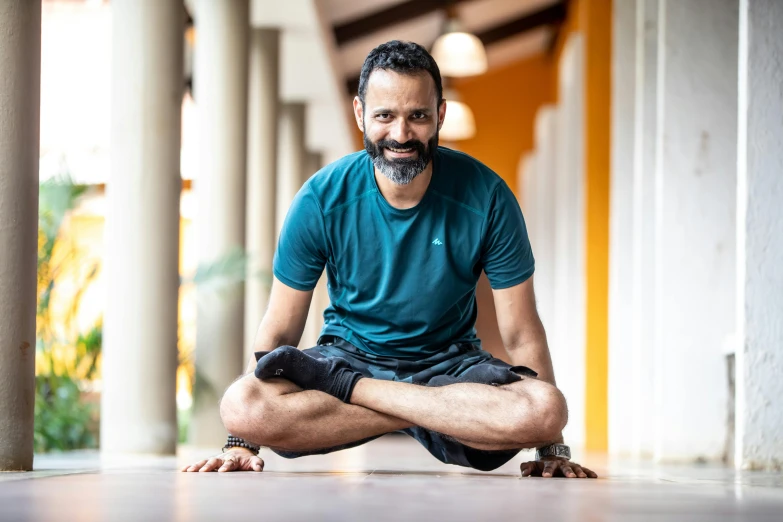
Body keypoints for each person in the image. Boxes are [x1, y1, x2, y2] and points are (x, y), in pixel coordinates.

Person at [183, 40, 596, 479]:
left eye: (417, 116)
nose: (400, 135)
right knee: (241, 405)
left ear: (439, 115)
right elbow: (281, 325)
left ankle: (368, 392)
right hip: (347, 357)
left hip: (448, 365)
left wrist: (551, 446)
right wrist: (241, 439)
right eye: (385, 116)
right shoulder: (321, 199)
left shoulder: (488, 196)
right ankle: (425, 411)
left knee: (547, 408)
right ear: (361, 113)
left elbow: (521, 329)